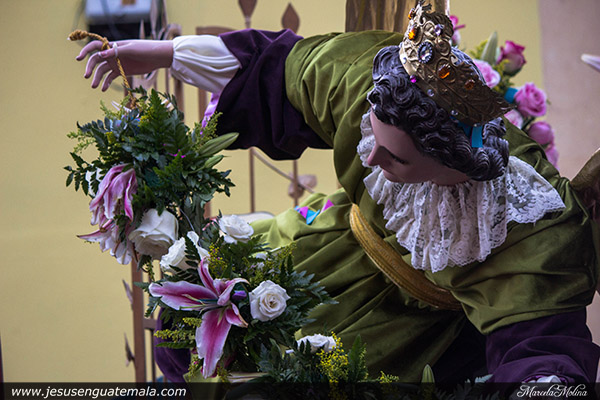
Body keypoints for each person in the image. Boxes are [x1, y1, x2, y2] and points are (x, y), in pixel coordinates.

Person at [76, 3, 600, 385]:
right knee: (190, 327)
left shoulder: (525, 226)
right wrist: (166, 54)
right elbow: (282, 68)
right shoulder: (368, 85)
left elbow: (540, 340)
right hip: (326, 242)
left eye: (395, 159)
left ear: (450, 166)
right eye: (373, 139)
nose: (370, 160)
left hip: (409, 332)